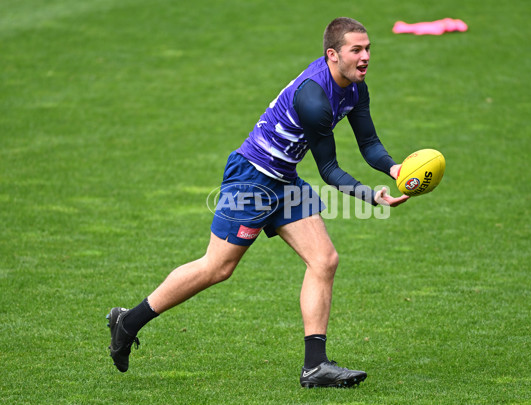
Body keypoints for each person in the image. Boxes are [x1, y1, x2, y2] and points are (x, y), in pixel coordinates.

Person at [106, 16, 410, 388]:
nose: (365, 57)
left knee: (324, 259)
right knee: (217, 268)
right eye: (356, 50)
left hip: (284, 180)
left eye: (368, 49)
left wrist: (395, 169)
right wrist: (369, 195)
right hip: (251, 178)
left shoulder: (355, 89)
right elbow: (329, 169)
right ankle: (128, 321)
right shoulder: (314, 97)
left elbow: (369, 144)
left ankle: (315, 367)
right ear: (333, 54)